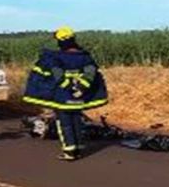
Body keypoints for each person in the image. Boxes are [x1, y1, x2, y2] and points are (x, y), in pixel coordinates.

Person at [23, 27, 109, 160]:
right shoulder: (85, 57)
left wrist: (67, 86)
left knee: (65, 124)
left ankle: (69, 152)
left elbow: (57, 74)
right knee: (77, 122)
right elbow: (90, 73)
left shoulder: (55, 58)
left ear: (60, 41)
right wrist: (81, 87)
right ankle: (78, 149)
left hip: (63, 98)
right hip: (79, 97)